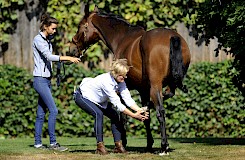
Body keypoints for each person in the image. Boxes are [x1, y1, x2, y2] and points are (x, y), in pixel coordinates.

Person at [74, 58, 149, 155]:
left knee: (114, 115)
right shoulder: (106, 82)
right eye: (123, 75)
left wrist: (139, 110)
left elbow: (128, 99)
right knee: (98, 114)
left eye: (125, 75)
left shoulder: (121, 82)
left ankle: (118, 146)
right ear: (115, 74)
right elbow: (118, 104)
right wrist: (134, 115)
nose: (125, 77)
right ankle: (100, 147)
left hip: (98, 101)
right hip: (82, 96)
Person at [32, 13, 81, 151]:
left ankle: (38, 144)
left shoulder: (47, 40)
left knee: (41, 114)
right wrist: (68, 58)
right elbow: (48, 56)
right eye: (53, 28)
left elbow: (50, 59)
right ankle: (53, 143)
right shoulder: (38, 40)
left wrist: (62, 64)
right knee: (53, 110)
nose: (54, 31)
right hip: (40, 80)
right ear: (46, 27)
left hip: (46, 80)